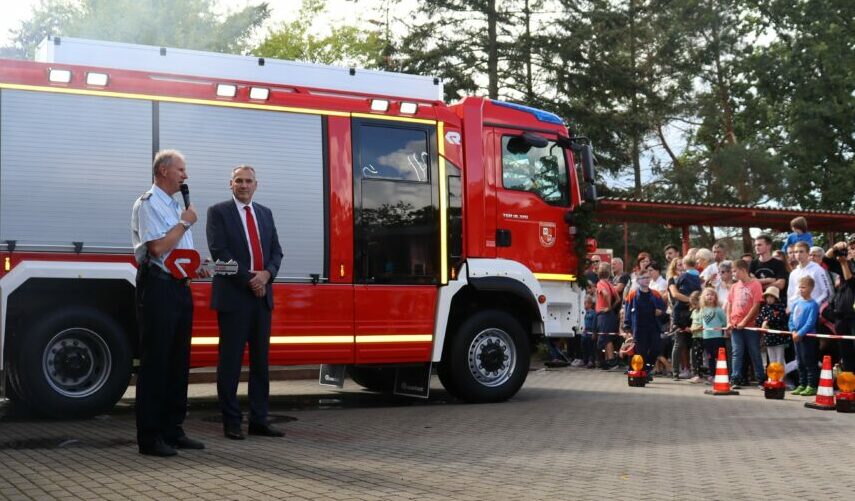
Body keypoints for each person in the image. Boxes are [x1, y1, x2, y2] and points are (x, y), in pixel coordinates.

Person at [132, 149, 207, 457]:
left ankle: (172, 430)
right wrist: (186, 223)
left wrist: (194, 266)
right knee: (156, 364)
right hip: (158, 289)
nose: (185, 175)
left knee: (178, 364)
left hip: (178, 287)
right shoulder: (147, 204)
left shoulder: (177, 206)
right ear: (163, 171)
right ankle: (149, 438)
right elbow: (158, 248)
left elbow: (177, 255)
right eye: (180, 170)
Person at [207, 165, 285, 440]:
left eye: (248, 181)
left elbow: (276, 252)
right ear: (230, 184)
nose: (244, 185)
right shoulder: (218, 212)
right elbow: (219, 254)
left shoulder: (265, 213)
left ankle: (259, 420)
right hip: (234, 298)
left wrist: (266, 275)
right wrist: (250, 280)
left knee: (260, 363)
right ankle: (231, 422)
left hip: (262, 300)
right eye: (238, 181)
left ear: (256, 185)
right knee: (230, 364)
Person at [726, 259, 765, 389]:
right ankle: (735, 378)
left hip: (750, 326)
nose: (733, 274)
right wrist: (729, 321)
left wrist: (745, 321)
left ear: (743, 270)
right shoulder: (734, 286)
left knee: (754, 351)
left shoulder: (755, 285)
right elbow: (730, 305)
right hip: (736, 325)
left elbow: (756, 305)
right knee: (737, 352)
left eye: (734, 271)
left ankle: (761, 379)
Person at [623, 272, 665, 378]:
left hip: (654, 327)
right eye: (643, 277)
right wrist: (627, 328)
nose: (646, 279)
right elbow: (627, 312)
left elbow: (663, 311)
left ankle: (647, 369)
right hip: (639, 329)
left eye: (648, 277)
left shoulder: (656, 294)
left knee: (656, 349)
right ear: (638, 281)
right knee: (641, 352)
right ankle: (642, 373)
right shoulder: (632, 295)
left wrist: (660, 312)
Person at [669, 256, 701, 379]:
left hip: (688, 312)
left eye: (682, 264)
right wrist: (693, 301)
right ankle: (677, 371)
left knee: (692, 344)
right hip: (684, 311)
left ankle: (691, 371)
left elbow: (678, 292)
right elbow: (675, 294)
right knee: (679, 343)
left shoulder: (688, 277)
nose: (681, 267)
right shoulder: (675, 279)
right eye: (678, 264)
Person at [789, 277, 820, 396]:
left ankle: (811, 385)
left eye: (803, 287)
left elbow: (810, 322)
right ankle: (802, 384)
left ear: (811, 288)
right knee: (800, 362)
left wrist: (800, 333)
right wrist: (793, 331)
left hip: (808, 338)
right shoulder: (796, 303)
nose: (801, 290)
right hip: (796, 337)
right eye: (800, 287)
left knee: (809, 362)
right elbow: (791, 319)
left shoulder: (813, 304)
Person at [786, 241, 832, 309]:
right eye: (796, 252)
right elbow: (790, 293)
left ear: (808, 253)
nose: (798, 254)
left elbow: (826, 292)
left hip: (813, 309)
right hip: (796, 309)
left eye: (801, 251)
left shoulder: (817, 269)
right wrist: (789, 306)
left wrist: (815, 304)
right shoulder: (793, 273)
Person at [595, 262, 621, 369]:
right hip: (610, 315)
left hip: (603, 314)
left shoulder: (600, 283)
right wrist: (612, 307)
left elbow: (605, 294)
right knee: (608, 339)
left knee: (601, 339)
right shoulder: (610, 284)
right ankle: (611, 361)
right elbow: (618, 299)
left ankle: (601, 362)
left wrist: (608, 306)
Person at [699, 287, 727, 384]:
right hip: (706, 338)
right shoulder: (702, 310)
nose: (710, 296)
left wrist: (719, 327)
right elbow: (701, 323)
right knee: (710, 357)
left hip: (717, 337)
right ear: (703, 297)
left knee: (718, 357)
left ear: (715, 297)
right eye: (707, 295)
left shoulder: (718, 310)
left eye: (712, 295)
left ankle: (721, 375)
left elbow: (724, 322)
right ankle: (712, 375)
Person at [755, 286, 788, 366]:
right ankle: (773, 377)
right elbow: (759, 319)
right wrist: (762, 322)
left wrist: (766, 321)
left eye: (771, 296)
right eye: (767, 296)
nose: (769, 299)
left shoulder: (780, 307)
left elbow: (776, 317)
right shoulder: (764, 308)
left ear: (775, 298)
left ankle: (780, 377)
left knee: (779, 360)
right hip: (769, 339)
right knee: (772, 360)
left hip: (779, 339)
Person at [688, 290, 705, 383]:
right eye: (692, 304)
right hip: (695, 336)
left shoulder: (703, 310)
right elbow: (693, 322)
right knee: (695, 356)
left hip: (702, 336)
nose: (693, 306)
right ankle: (697, 374)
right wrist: (690, 328)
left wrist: (695, 329)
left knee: (699, 356)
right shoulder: (694, 311)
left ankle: (700, 375)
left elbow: (704, 325)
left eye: (695, 304)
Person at [581, 295, 597, 368]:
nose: (585, 305)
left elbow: (594, 323)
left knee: (591, 347)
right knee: (584, 347)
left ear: (590, 304)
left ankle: (591, 361)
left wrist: (594, 333)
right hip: (585, 333)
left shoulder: (593, 313)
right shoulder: (584, 313)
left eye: (586, 303)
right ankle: (585, 361)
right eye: (584, 303)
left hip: (590, 333)